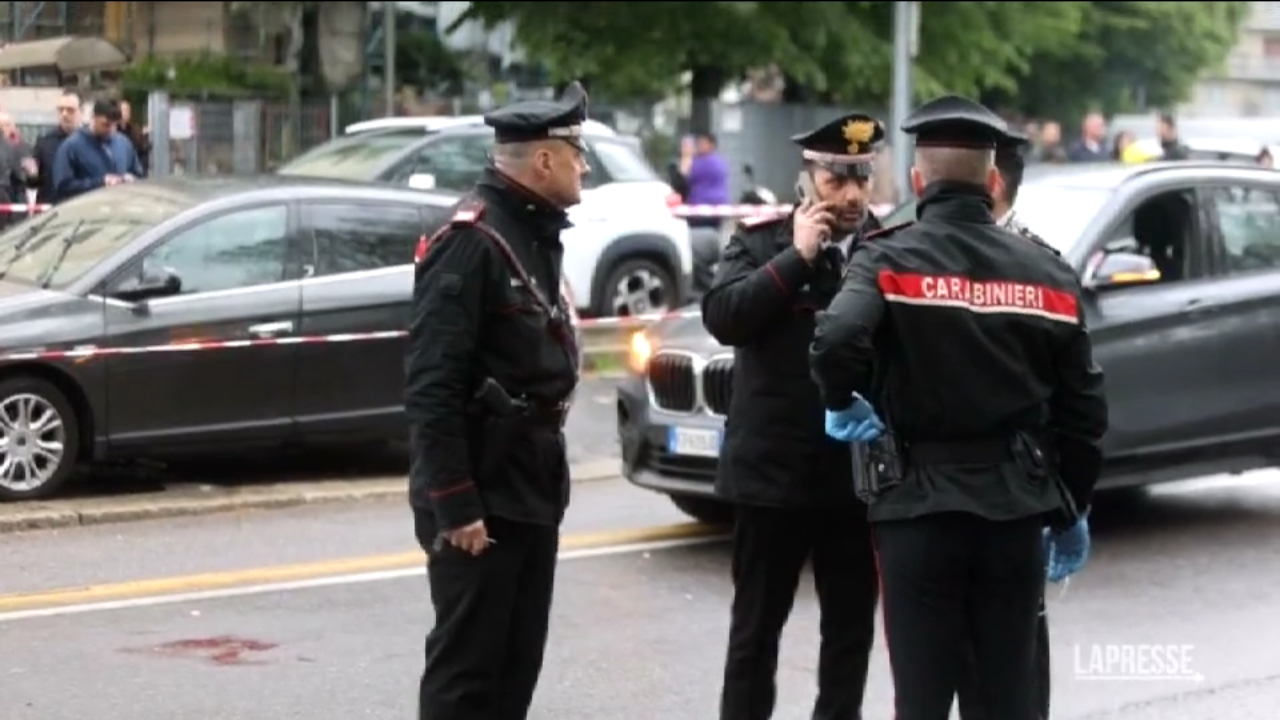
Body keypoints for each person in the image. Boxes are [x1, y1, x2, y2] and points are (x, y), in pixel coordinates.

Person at [809, 95, 1108, 720]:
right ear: (993, 180)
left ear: (919, 181)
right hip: (1015, 513)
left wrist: (842, 400)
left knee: (921, 699)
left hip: (917, 511)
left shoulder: (887, 258)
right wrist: (1070, 503)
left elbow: (836, 338)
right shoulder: (1047, 274)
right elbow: (1083, 410)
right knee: (1008, 697)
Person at [405, 82, 588, 720]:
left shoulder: (532, 231)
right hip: (482, 492)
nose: (584, 165)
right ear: (543, 161)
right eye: (576, 152)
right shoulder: (472, 241)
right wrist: (455, 506)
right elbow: (432, 386)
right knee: (467, 677)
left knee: (516, 666)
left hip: (529, 483)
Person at [701, 112, 883, 720]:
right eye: (838, 180)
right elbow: (725, 317)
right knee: (755, 632)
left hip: (854, 480)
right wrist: (796, 261)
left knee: (850, 633)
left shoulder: (888, 248)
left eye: (862, 178)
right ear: (808, 179)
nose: (853, 195)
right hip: (772, 478)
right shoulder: (761, 242)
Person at [953, 127, 1055, 720]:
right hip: (999, 492)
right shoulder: (1039, 263)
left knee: (1015, 673)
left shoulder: (1036, 265)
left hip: (1007, 494)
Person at [51, 99, 144, 202]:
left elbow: (138, 174)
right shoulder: (71, 146)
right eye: (105, 124)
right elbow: (62, 186)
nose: (111, 129)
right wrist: (100, 183)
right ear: (93, 118)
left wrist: (132, 179)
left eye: (115, 125)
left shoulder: (124, 143)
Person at [29, 88, 80, 205]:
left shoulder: (91, 142)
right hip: (52, 210)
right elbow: (33, 181)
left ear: (81, 111)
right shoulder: (44, 142)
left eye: (70, 110)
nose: (64, 114)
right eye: (61, 110)